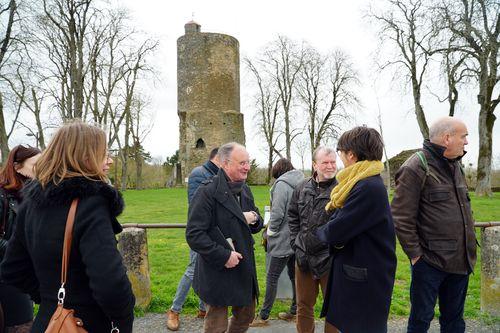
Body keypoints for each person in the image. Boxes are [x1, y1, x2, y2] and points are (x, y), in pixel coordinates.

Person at [0, 120, 135, 333]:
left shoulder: (31, 202)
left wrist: (51, 299)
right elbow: (110, 285)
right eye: (103, 153)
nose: (109, 160)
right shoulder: (91, 203)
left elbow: (13, 269)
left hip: (49, 322)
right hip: (84, 325)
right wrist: (123, 321)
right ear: (85, 157)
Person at [391, 117, 476, 333]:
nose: (466, 142)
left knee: (455, 322)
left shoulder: (455, 164)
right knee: (420, 321)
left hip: (460, 261)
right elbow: (401, 217)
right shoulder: (415, 166)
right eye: (463, 136)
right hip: (429, 263)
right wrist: (416, 256)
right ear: (447, 138)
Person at [316, 126, 397, 333]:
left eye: (341, 153)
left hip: (365, 278)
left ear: (351, 155)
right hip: (361, 271)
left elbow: (337, 229)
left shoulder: (367, 187)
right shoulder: (362, 182)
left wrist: (321, 233)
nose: (340, 158)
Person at [186, 142, 263, 333]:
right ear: (225, 164)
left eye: (248, 162)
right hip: (218, 268)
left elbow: (256, 219)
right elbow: (194, 234)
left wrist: (254, 219)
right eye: (242, 163)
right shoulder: (207, 192)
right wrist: (224, 256)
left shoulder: (244, 189)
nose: (247, 167)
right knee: (216, 325)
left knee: (246, 316)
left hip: (243, 265)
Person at [167, 147, 220, 331]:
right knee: (193, 268)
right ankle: (174, 310)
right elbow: (198, 206)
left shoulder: (216, 174)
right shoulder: (199, 173)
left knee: (206, 268)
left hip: (213, 231)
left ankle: (202, 308)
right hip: (200, 231)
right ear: (218, 159)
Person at [287, 146, 338, 333]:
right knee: (304, 305)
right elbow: (292, 216)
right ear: (315, 165)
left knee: (334, 307)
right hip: (304, 258)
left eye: (333, 162)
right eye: (325, 162)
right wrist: (296, 243)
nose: (330, 166)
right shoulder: (301, 188)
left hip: (330, 260)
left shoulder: (341, 190)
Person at [250, 158, 303, 327]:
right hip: (298, 238)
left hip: (283, 239)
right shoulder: (303, 181)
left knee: (272, 277)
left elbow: (278, 213)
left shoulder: (281, 184)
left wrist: (269, 233)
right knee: (294, 276)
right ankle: (295, 312)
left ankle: (263, 316)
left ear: (279, 172)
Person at [0, 145, 41, 333]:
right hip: (6, 272)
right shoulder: (3, 195)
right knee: (21, 325)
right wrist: (20, 253)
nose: (41, 169)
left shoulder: (34, 194)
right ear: (17, 167)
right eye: (35, 164)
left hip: (23, 271)